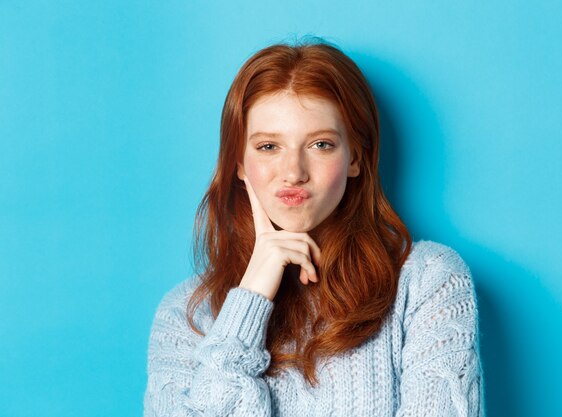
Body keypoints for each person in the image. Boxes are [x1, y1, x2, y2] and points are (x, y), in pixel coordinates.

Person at [143, 39, 484, 416]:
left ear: (355, 157)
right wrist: (249, 302)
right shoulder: (186, 315)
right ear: (239, 163)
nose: (294, 173)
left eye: (321, 144)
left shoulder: (428, 281)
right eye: (269, 147)